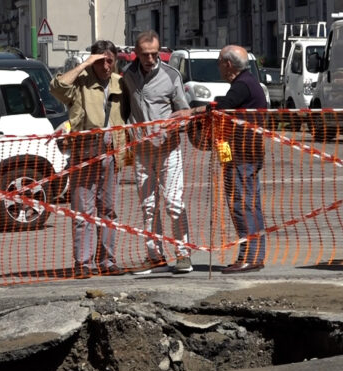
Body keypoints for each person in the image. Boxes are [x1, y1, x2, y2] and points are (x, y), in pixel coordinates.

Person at [178, 45, 268, 273]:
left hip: (242, 155)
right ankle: (254, 255)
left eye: (219, 61)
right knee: (250, 204)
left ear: (228, 64)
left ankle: (249, 256)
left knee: (241, 205)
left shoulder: (242, 85)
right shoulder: (247, 82)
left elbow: (222, 109)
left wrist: (192, 112)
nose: (218, 66)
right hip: (243, 152)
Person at [50, 40, 129, 279]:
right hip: (85, 149)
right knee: (83, 210)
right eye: (100, 61)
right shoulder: (81, 82)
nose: (106, 66)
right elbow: (57, 86)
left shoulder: (119, 83)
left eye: (109, 60)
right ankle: (82, 263)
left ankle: (107, 260)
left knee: (108, 210)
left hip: (112, 149)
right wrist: (85, 63)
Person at [122, 30, 194, 275]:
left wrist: (177, 124)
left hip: (168, 149)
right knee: (148, 206)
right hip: (142, 151)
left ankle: (183, 254)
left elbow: (184, 111)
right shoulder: (127, 76)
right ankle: (155, 257)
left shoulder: (171, 76)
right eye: (145, 54)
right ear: (136, 53)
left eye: (154, 54)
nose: (150, 59)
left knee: (174, 203)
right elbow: (124, 110)